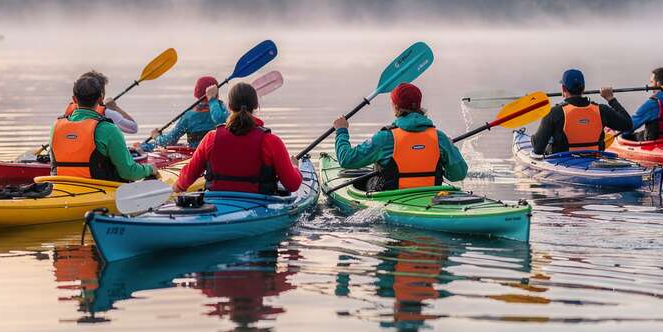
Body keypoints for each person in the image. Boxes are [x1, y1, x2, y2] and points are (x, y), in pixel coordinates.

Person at [171, 82, 303, 194]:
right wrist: (295, 167)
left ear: (229, 106)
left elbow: (184, 181)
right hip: (259, 207)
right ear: (256, 106)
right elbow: (292, 185)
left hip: (215, 206)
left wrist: (173, 191)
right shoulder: (271, 141)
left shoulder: (211, 138)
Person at [332, 83, 468, 190]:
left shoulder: (385, 138)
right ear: (419, 105)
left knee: (363, 181)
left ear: (396, 107)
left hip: (391, 197)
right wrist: (449, 151)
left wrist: (341, 130)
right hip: (431, 195)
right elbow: (458, 174)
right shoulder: (439, 138)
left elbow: (346, 160)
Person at [50, 74, 157, 182]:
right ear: (101, 99)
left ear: (74, 99)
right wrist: (150, 169)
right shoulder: (109, 129)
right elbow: (128, 172)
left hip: (61, 186)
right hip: (99, 188)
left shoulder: (56, 127)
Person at [530, 69, 634, 155]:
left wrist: (535, 139)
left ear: (563, 89)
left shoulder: (554, 113)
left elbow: (538, 149)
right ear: (583, 88)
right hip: (595, 162)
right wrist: (611, 99)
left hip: (563, 164)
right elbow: (628, 124)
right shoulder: (601, 110)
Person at [155, 75, 229, 147]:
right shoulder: (224, 110)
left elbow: (169, 141)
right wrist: (212, 100)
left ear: (196, 94)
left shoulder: (188, 117)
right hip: (220, 152)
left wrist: (157, 137)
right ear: (217, 94)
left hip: (197, 155)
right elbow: (223, 121)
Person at [63, 70, 139, 135]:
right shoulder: (107, 113)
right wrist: (116, 108)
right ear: (101, 95)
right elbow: (133, 128)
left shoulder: (70, 113)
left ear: (75, 99)